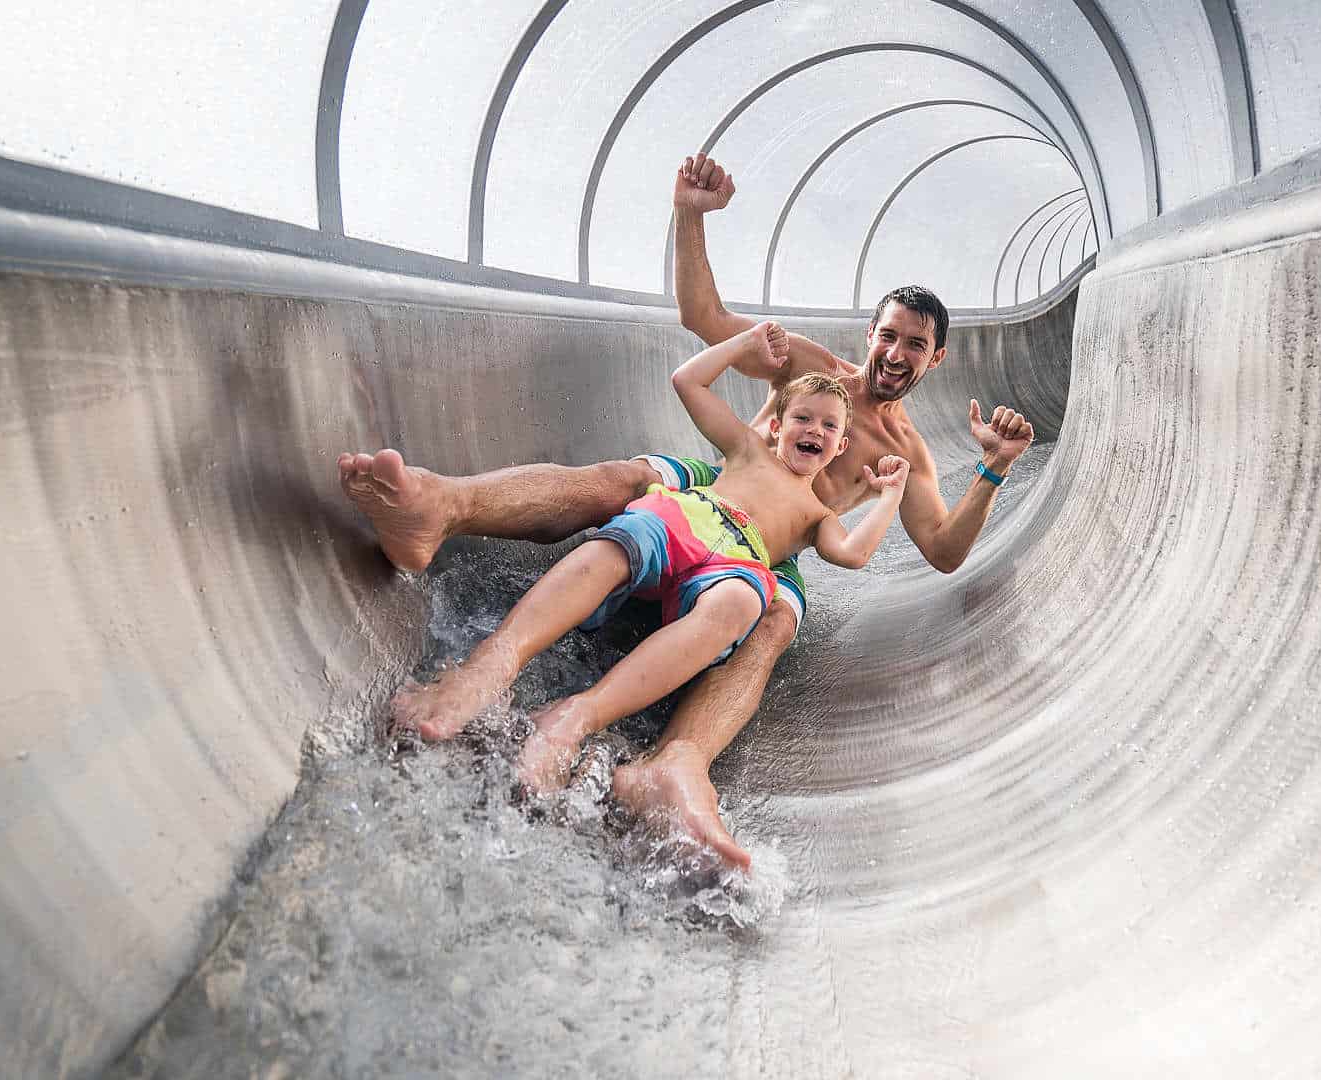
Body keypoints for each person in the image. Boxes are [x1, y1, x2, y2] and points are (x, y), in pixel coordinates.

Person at [338, 151, 1035, 867]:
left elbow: (945, 549)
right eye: (888, 335)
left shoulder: (908, 452)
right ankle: (441, 507)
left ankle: (677, 765)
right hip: (719, 481)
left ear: (938, 360)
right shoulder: (808, 367)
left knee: (769, 623)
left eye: (915, 345)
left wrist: (992, 469)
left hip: (775, 548)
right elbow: (702, 318)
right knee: (622, 479)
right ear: (870, 334)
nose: (895, 353)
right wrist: (690, 215)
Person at [392, 321, 910, 793]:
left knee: (738, 606)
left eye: (827, 428)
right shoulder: (747, 452)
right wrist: (740, 346)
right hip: (689, 515)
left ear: (842, 447)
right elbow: (688, 382)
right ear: (776, 425)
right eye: (803, 418)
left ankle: (577, 717)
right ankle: (492, 666)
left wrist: (889, 496)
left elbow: (853, 553)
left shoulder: (817, 514)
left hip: (739, 562)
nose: (814, 431)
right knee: (625, 541)